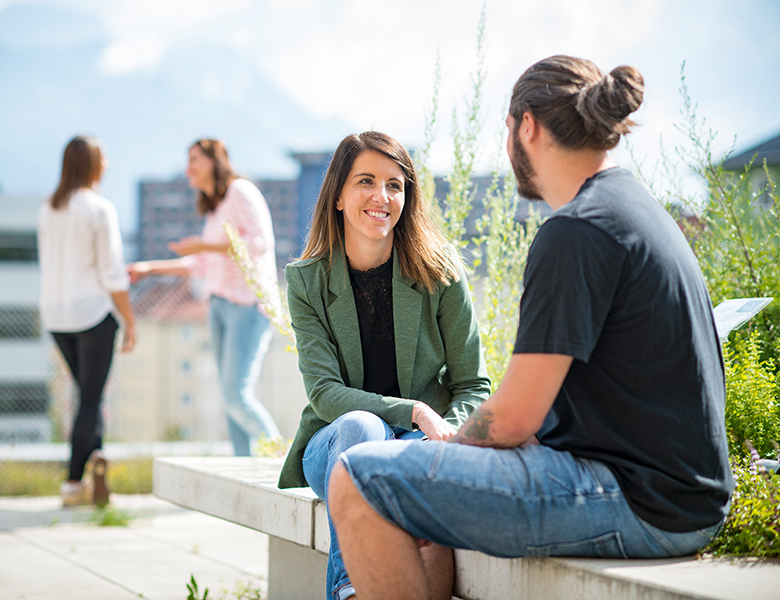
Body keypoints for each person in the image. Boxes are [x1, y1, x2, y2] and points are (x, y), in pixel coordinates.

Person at [328, 55, 734, 599]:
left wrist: (447, 447)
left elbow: (514, 418)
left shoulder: (576, 231)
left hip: (635, 501)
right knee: (407, 486)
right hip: (679, 497)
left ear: (526, 126)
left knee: (356, 479)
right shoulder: (638, 210)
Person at [278, 131, 491, 600]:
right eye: (366, 181)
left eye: (395, 185)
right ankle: (351, 589)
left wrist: (442, 439)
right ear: (338, 195)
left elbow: (474, 384)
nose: (382, 196)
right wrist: (413, 410)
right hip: (335, 444)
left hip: (418, 447)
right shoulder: (306, 281)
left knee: (410, 489)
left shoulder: (440, 271)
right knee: (361, 428)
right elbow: (325, 393)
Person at [128, 139, 280, 456]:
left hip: (247, 305)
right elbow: (200, 264)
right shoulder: (215, 209)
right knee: (229, 400)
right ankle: (244, 468)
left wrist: (204, 246)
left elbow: (258, 244)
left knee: (237, 396)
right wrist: (149, 269)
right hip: (220, 306)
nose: (189, 168)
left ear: (216, 160)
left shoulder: (240, 192)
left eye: (195, 158)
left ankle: (284, 458)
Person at [38, 135, 137, 508]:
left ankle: (96, 476)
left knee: (86, 400)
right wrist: (131, 321)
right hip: (93, 316)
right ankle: (73, 482)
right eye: (104, 157)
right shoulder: (99, 209)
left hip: (57, 316)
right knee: (91, 400)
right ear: (93, 164)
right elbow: (113, 275)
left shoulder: (48, 207)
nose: (108, 163)